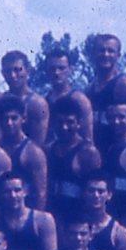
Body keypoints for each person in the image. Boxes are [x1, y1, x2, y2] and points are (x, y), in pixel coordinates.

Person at [45, 95, 103, 224]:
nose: (64, 127)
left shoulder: (88, 153)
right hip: (52, 216)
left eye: (70, 122)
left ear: (79, 123)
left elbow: (95, 192)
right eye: (60, 122)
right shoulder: (48, 150)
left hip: (78, 220)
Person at [0, 171, 57, 250]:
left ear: (25, 191)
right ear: (0, 194)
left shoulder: (43, 220)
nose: (13, 195)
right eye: (7, 191)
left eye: (17, 190)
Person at [0, 95, 48, 209]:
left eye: (14, 118)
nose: (9, 123)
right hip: (0, 210)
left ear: (23, 118)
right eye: (5, 119)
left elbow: (41, 194)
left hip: (24, 210)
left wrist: (33, 217)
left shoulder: (33, 152)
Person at [87, 33, 126, 143]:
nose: (106, 54)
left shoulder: (123, 84)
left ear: (118, 55)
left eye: (110, 51)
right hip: (98, 146)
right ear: (93, 54)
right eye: (101, 50)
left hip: (119, 147)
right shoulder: (89, 89)